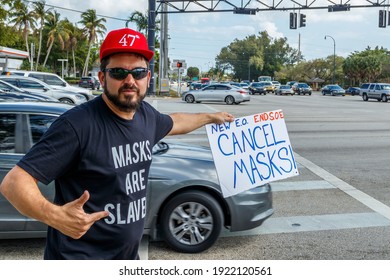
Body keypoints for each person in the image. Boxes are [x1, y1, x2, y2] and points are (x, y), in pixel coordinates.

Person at [0, 28, 234, 260]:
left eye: (139, 72)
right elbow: (14, 183)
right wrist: (55, 216)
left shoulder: (146, 115)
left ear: (148, 78)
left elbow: (175, 122)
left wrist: (211, 117)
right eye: (119, 72)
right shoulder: (77, 126)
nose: (130, 80)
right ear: (102, 78)